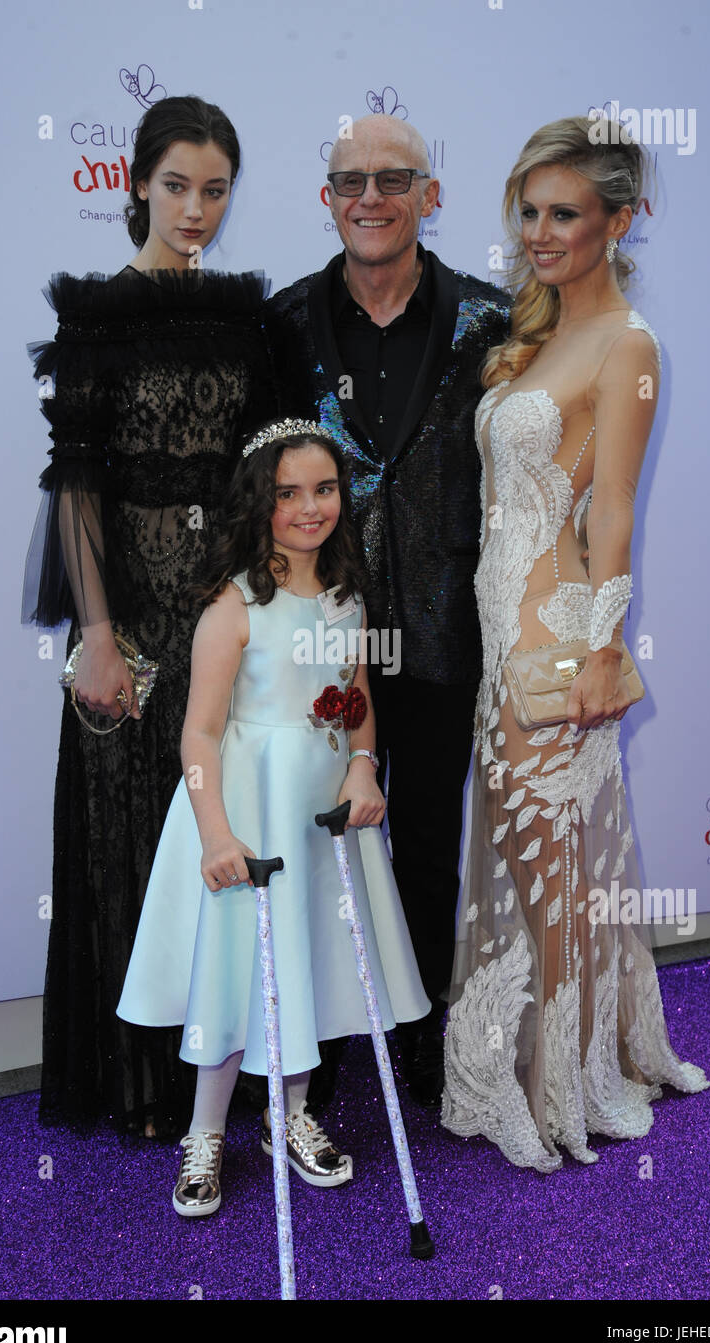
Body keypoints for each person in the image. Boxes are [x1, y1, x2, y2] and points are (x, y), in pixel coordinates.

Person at [442, 116, 710, 1172]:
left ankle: (558, 1087)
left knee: (546, 864)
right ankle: (558, 1060)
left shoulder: (628, 345)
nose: (539, 232)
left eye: (564, 213)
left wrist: (601, 650)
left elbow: (612, 514)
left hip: (550, 637)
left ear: (618, 221)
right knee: (542, 860)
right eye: (530, 212)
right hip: (495, 625)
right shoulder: (536, 336)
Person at [23, 95, 272, 1138]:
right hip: (127, 605)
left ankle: (228, 1070)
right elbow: (75, 484)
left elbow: (271, 469)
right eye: (177, 185)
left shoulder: (247, 318)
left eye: (214, 189)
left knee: (220, 824)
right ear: (134, 182)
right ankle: (141, 1083)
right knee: (127, 829)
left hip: (224, 603)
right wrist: (96, 634)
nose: (195, 209)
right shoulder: (95, 317)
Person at [116, 420, 428, 1213]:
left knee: (303, 962)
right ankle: (206, 1132)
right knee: (234, 970)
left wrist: (362, 763)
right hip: (246, 813)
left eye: (323, 489)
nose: (308, 507)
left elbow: (356, 706)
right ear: (259, 500)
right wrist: (215, 832)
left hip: (317, 818)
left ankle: (289, 1116)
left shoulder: (349, 600)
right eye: (287, 492)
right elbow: (199, 732)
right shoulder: (234, 604)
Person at [264, 114, 510, 1106]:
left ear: (429, 194)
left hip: (450, 628)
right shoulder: (279, 326)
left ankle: (417, 1029)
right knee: (316, 827)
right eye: (349, 181)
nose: (370, 197)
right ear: (325, 199)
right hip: (321, 635)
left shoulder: (491, 323)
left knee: (421, 838)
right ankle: (308, 1040)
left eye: (393, 179)